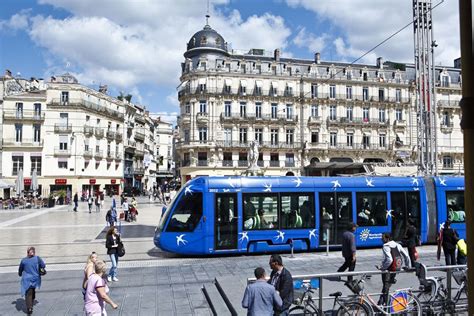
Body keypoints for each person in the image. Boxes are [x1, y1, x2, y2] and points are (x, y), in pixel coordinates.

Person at [376, 232, 410, 306]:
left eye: (383, 237)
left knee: (385, 287)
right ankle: (381, 303)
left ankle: (385, 305)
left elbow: (389, 260)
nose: (381, 239)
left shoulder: (386, 246)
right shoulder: (398, 245)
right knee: (386, 287)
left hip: (388, 269)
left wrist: (382, 268)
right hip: (396, 268)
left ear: (387, 238)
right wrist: (408, 266)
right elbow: (406, 256)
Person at [18, 246, 46, 315]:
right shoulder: (37, 258)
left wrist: (20, 273)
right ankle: (31, 304)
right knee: (32, 291)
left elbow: (20, 269)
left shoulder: (23, 260)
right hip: (35, 278)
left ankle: (29, 307)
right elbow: (43, 265)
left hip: (27, 279)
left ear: (27, 253)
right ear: (34, 252)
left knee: (28, 293)